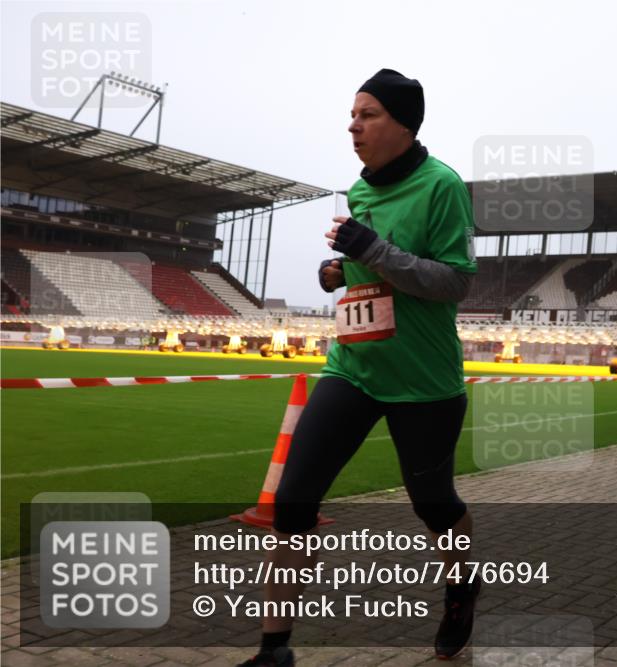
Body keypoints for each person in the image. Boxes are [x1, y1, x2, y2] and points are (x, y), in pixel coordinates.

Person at [239, 69, 479, 667]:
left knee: (433, 503)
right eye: (352, 114)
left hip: (422, 382)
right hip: (352, 367)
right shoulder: (360, 191)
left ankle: (462, 584)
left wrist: (370, 250)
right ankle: (275, 649)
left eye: (368, 114)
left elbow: (454, 282)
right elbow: (368, 271)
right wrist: (338, 272)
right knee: (293, 500)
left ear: (404, 125)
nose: (353, 125)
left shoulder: (443, 185)